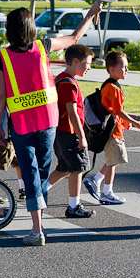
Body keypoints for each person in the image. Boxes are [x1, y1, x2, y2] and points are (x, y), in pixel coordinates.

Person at [0, 0, 102, 247]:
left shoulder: (3, 57)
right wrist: (91, 13)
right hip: (47, 121)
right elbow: (74, 37)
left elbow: (0, 95)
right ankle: (37, 226)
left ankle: (36, 229)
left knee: (31, 173)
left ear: (10, 30)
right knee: (42, 172)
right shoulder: (44, 47)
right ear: (32, 27)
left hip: (21, 123)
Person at [83, 50, 140, 205]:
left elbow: (113, 109)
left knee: (115, 159)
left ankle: (96, 180)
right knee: (113, 161)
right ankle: (107, 192)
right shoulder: (114, 88)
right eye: (123, 67)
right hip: (112, 132)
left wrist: (125, 122)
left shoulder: (109, 85)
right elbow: (118, 111)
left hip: (113, 129)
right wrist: (136, 122)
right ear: (112, 69)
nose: (127, 70)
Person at [47, 44, 96, 218]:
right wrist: (81, 136)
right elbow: (72, 111)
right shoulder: (68, 83)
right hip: (69, 132)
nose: (89, 67)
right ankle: (74, 207)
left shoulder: (61, 79)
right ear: (75, 61)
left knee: (64, 168)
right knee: (77, 168)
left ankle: (38, 193)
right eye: (88, 63)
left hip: (60, 132)